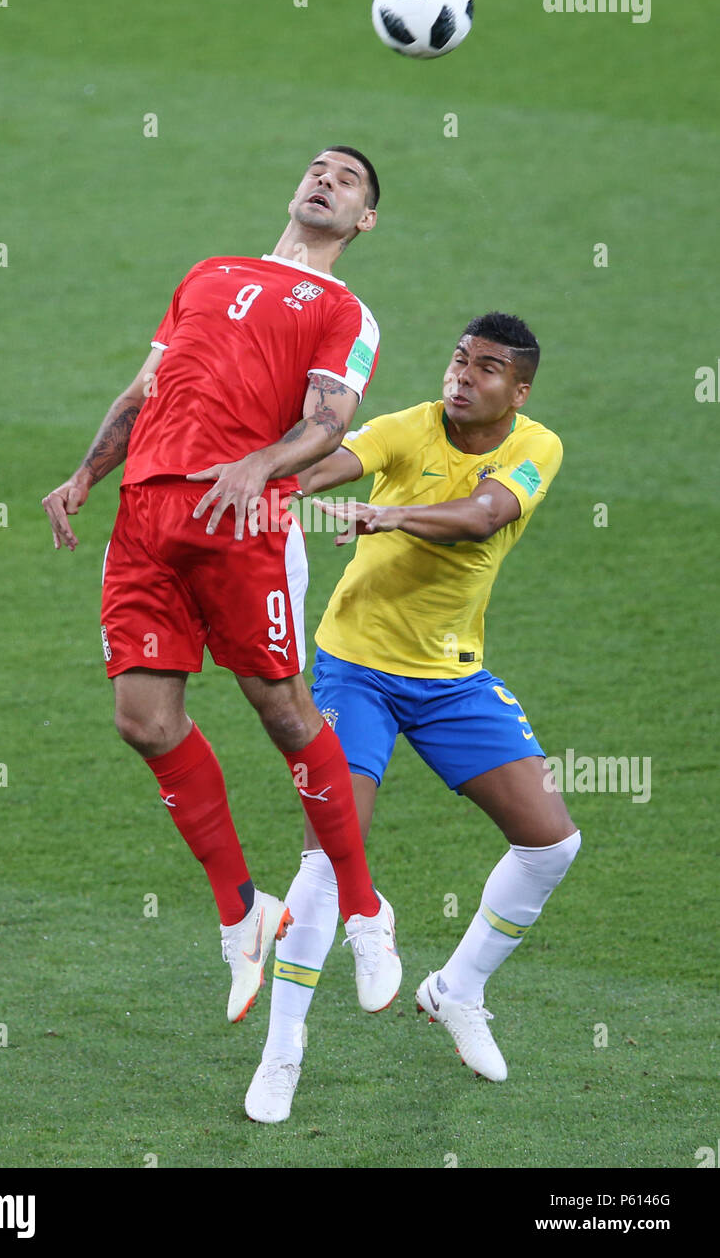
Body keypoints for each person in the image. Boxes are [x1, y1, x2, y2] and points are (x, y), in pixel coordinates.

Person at [41, 148, 402, 1027]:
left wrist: (258, 465)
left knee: (282, 712)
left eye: (346, 180)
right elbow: (146, 385)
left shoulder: (343, 309)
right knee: (143, 721)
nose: (325, 179)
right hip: (145, 517)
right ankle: (243, 912)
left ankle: (364, 907)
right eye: (317, 168)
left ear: (363, 222)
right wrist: (87, 473)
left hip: (244, 524)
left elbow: (326, 422)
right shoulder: (208, 272)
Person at [245, 311, 580, 1123]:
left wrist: (385, 516)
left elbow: (484, 517)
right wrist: (280, 481)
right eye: (459, 360)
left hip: (452, 679)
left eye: (487, 368)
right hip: (355, 671)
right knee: (329, 854)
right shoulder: (407, 428)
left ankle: (456, 989)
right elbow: (339, 461)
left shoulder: (536, 448)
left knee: (551, 844)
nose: (463, 375)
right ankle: (282, 1052)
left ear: (519, 389)